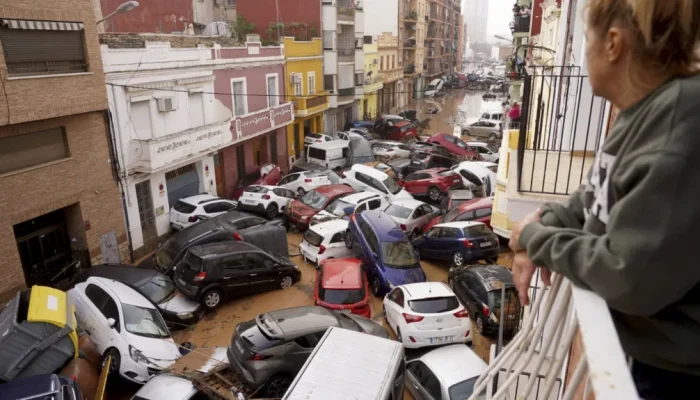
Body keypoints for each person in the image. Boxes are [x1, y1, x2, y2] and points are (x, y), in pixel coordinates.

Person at [508, 0, 700, 398]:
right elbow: (591, 197)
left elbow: (627, 274)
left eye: (588, 39)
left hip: (673, 377)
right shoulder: (642, 112)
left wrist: (536, 240)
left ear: (613, 44)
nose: (585, 52)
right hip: (649, 358)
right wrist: (545, 221)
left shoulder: (678, 123)